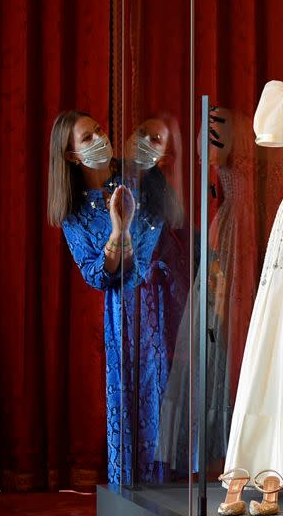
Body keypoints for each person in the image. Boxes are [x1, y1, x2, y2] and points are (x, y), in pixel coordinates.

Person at [48, 110, 188, 484]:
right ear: (71, 156)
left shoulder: (135, 179)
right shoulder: (73, 212)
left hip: (167, 299)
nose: (100, 139)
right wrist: (116, 230)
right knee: (128, 397)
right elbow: (97, 274)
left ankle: (174, 488)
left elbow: (149, 250)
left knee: (168, 393)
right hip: (123, 311)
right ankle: (132, 494)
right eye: (87, 139)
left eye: (99, 130)